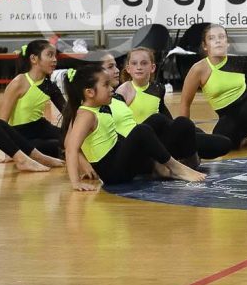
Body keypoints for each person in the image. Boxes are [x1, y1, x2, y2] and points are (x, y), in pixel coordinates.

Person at [61, 62, 204, 192]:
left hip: (118, 157)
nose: (111, 88)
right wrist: (76, 182)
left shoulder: (97, 107)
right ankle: (176, 167)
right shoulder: (85, 116)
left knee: (156, 119)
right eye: (106, 85)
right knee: (141, 131)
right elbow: (71, 148)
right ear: (90, 92)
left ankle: (157, 166)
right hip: (113, 173)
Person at [116, 46, 223, 167]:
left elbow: (167, 119)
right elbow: (119, 127)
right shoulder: (124, 90)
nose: (139, 67)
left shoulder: (158, 89)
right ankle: (186, 159)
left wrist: (186, 132)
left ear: (152, 67)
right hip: (144, 144)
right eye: (134, 63)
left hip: (162, 138)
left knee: (221, 144)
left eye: (144, 63)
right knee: (183, 126)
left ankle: (184, 154)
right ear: (128, 69)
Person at [177, 24, 247, 150]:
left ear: (227, 43)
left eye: (221, 37)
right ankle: (245, 140)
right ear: (205, 46)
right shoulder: (198, 69)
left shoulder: (239, 61)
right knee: (221, 144)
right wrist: (184, 135)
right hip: (228, 116)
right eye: (212, 38)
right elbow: (185, 104)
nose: (218, 41)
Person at [0, 40, 65, 159]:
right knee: (58, 146)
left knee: (72, 140)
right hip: (21, 135)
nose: (54, 59)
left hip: (41, 127)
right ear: (34, 59)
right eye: (50, 55)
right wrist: (8, 153)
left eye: (55, 56)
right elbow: (2, 122)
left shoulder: (49, 86)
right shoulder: (19, 82)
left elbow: (68, 113)